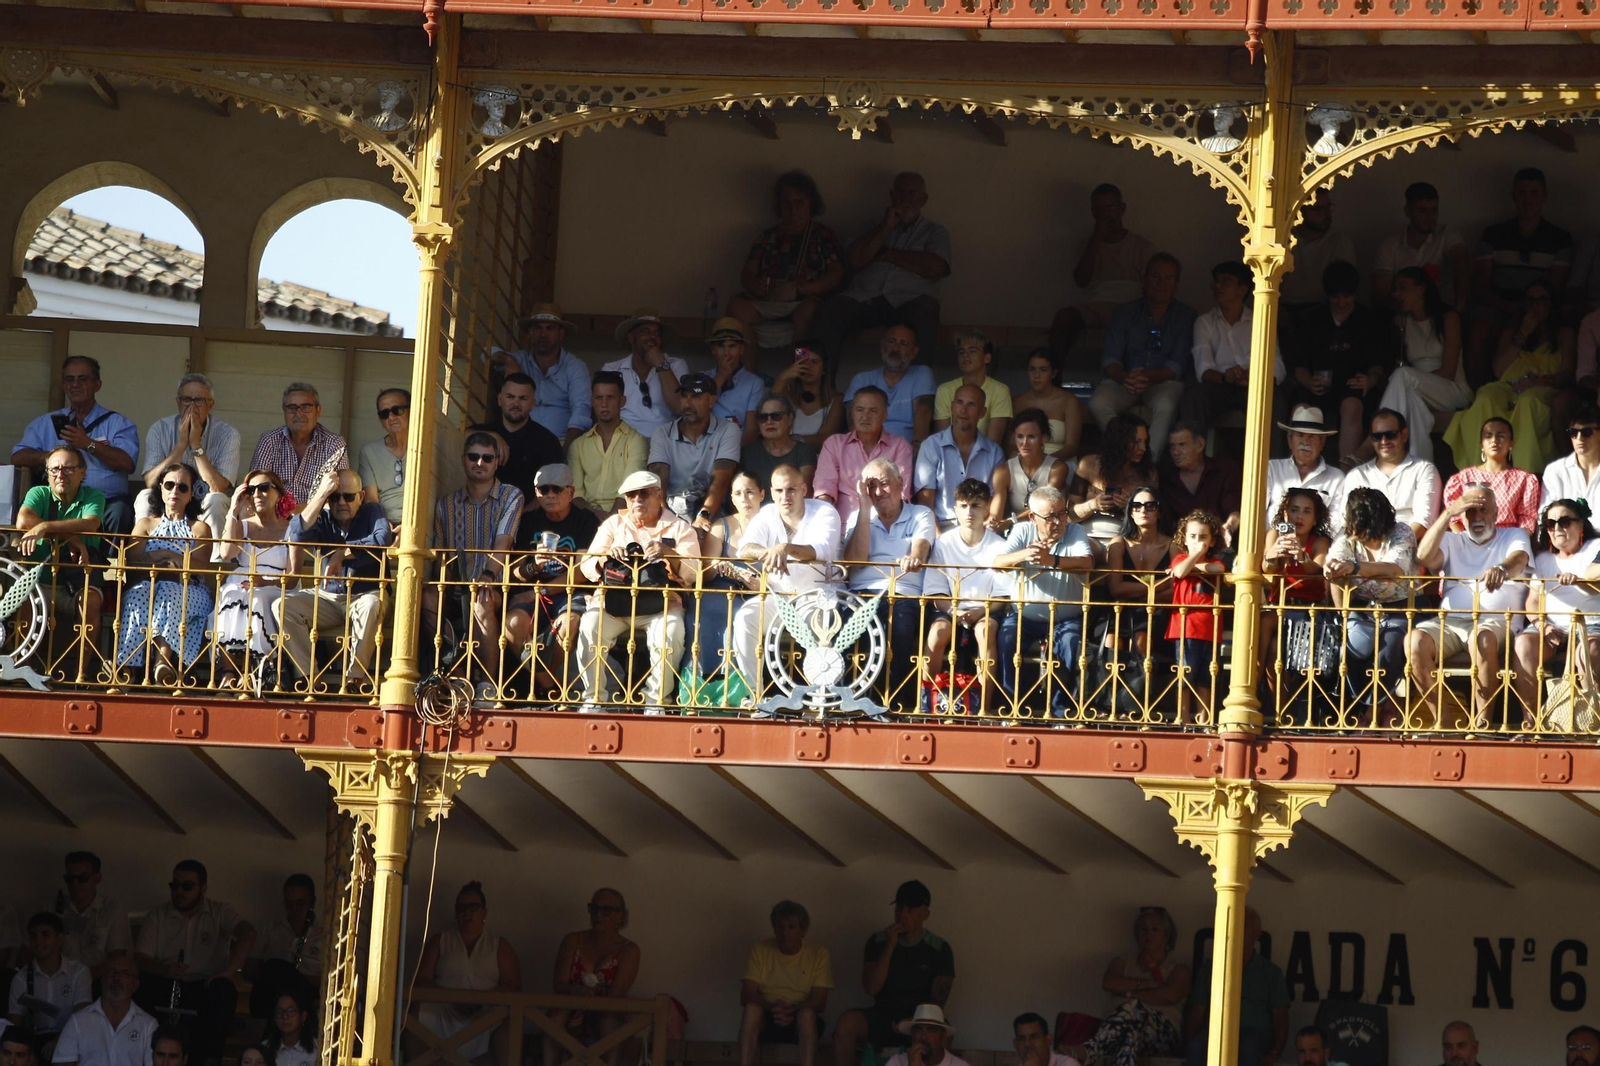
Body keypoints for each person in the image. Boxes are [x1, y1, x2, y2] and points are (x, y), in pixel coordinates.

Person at [574, 471, 701, 712]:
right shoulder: (613, 524)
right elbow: (587, 566)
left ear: (659, 495)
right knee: (590, 625)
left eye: (644, 493)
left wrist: (669, 553)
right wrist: (607, 557)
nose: (638, 500)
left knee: (671, 631)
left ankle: (656, 700)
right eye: (631, 496)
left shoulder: (680, 527)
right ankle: (594, 698)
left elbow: (693, 575)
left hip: (661, 605)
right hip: (613, 603)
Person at [1406, 485, 1531, 727]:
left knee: (1481, 639)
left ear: (1496, 512)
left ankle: (1482, 725)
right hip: (1451, 621)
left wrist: (1502, 569)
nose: (1476, 517)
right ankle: (1443, 721)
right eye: (1470, 511)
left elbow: (1519, 560)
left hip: (1495, 621)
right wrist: (1448, 513)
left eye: (1483, 510)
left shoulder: (1514, 534)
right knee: (1414, 641)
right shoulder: (1453, 540)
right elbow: (1422, 557)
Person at [815, 173, 951, 380]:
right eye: (900, 192)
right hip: (865, 299)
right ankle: (821, 392)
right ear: (891, 196)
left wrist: (886, 254)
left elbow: (936, 268)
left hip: (910, 301)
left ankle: (919, 395)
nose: (905, 198)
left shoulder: (935, 232)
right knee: (829, 310)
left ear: (923, 199)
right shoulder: (871, 225)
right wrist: (886, 226)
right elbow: (856, 259)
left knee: (927, 310)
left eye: (912, 193)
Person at [275, 469, 393, 691]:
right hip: (328, 596)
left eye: (348, 496)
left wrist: (343, 552)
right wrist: (321, 495)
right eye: (334, 497)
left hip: (366, 593)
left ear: (361, 497)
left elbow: (382, 539)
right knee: (282, 605)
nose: (341, 502)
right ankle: (310, 677)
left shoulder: (372, 511)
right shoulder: (323, 516)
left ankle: (354, 680)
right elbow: (297, 534)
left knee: (370, 605)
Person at [1444, 280, 1574, 475]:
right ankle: (1478, 470)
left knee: (1527, 401)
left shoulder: (1564, 333)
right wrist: (1523, 332)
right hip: (1509, 385)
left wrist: (1539, 381)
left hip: (1543, 386)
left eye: (1542, 300)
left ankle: (1525, 473)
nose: (1536, 305)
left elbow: (1567, 373)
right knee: (1486, 395)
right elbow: (1499, 370)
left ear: (1551, 304)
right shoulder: (1513, 331)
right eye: (1530, 300)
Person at [132, 860, 255, 1065]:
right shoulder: (158, 915)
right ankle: (146, 1055)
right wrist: (165, 969)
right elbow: (141, 959)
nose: (179, 891)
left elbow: (249, 933)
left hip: (204, 986)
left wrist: (230, 971)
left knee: (224, 990)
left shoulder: (219, 911)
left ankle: (210, 1059)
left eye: (187, 886)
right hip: (167, 981)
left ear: (203, 888)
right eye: (175, 885)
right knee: (140, 983)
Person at [730, 466, 839, 693]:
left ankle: (820, 696)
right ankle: (753, 694)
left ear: (803, 489)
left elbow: (822, 550)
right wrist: (769, 553)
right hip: (777, 597)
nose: (785, 496)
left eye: (791, 489)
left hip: (817, 597)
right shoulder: (768, 513)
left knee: (822, 626)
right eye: (779, 490)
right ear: (771, 492)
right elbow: (744, 548)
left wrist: (785, 548)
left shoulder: (824, 512)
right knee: (744, 619)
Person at [423, 434, 523, 682]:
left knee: (481, 599)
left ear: (496, 462)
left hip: (497, 585)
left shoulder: (511, 495)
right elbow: (441, 557)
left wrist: (487, 576)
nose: (480, 462)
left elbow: (504, 542)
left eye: (487, 458)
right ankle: (455, 671)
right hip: (457, 587)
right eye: (473, 457)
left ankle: (487, 685)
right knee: (426, 598)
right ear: (463, 460)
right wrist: (448, 583)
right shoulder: (444, 504)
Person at [843, 459, 936, 710]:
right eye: (871, 486)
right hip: (861, 594)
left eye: (884, 484)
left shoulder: (920, 513)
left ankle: (895, 703)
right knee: (842, 628)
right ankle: (849, 700)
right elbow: (855, 560)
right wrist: (864, 508)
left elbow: (921, 547)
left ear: (900, 484)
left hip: (902, 592)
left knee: (900, 628)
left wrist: (913, 556)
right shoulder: (858, 516)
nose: (878, 492)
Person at [994, 486, 1095, 717]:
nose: (1059, 521)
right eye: (1051, 517)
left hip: (1066, 618)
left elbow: (1087, 563)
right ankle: (1013, 707)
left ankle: (1062, 711)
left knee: (1071, 643)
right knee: (1007, 637)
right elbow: (998, 562)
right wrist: (1025, 555)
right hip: (1025, 616)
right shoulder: (1021, 531)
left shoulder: (1075, 530)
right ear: (1033, 517)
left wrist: (1053, 560)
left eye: (1062, 513)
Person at [1469, 168, 1574, 388]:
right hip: (1500, 306)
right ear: (1513, 196)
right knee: (1478, 325)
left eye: (1534, 193)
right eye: (1522, 193)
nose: (1528, 200)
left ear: (1544, 196)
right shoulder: (1493, 234)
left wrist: (1533, 308)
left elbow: (1554, 288)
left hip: (1540, 306)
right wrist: (1512, 308)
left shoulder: (1560, 238)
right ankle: (1478, 391)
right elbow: (1481, 287)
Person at [830, 881, 953, 1066]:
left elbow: (937, 1003)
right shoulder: (878, 941)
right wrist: (890, 946)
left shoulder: (939, 948)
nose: (902, 914)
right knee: (846, 1024)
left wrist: (913, 1022)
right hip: (882, 1015)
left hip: (919, 1019)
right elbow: (871, 988)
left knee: (942, 1032)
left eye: (910, 909)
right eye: (899, 908)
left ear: (925, 914)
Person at [12, 357, 139, 535]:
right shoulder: (46, 423)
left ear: (98, 385)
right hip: (58, 500)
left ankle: (109, 564)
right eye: (70, 379)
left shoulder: (118, 423)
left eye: (83, 379)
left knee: (121, 512)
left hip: (106, 501)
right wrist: (52, 457)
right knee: (30, 506)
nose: (75, 384)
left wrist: (88, 444)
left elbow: (127, 463)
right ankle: (42, 562)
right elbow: (18, 456)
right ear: (63, 385)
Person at [112, 464, 213, 687]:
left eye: (182, 487)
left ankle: (162, 662)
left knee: (167, 590)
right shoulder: (146, 524)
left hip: (191, 591)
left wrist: (163, 554)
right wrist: (170, 558)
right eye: (169, 485)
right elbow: (133, 561)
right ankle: (126, 667)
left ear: (191, 494)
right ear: (161, 489)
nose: (175, 491)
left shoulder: (200, 528)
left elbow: (201, 566)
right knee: (138, 594)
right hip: (149, 586)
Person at [1284, 261, 1394, 466]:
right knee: (1301, 406)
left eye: (1347, 296)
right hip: (1316, 386)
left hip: (1352, 387)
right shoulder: (1311, 318)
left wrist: (1370, 380)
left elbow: (1378, 364)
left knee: (1351, 404)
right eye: (1336, 296)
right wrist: (1309, 382)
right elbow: (1297, 365)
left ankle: (1347, 471)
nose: (1341, 302)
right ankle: (1300, 467)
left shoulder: (1368, 320)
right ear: (1328, 294)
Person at [503, 464, 601, 689]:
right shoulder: (528, 521)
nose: (549, 495)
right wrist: (534, 568)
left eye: (556, 489)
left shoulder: (585, 521)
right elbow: (513, 572)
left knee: (570, 624)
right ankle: (552, 688)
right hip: (532, 594)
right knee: (513, 623)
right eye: (542, 490)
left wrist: (539, 592)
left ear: (571, 492)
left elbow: (582, 572)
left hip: (569, 593)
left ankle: (544, 685)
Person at [1324, 487, 1419, 721]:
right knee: (1352, 647)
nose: (1350, 525)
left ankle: (1372, 712)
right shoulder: (1345, 536)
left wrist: (1355, 568)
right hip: (1360, 605)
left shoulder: (1402, 533)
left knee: (1389, 648)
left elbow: (1394, 569)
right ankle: (1359, 710)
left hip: (1401, 606)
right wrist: (1343, 612)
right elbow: (1335, 564)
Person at [1089, 255, 1196, 455]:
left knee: (1168, 406)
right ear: (1144, 278)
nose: (1160, 283)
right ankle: (1126, 453)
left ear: (1176, 283)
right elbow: (1110, 359)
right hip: (1125, 381)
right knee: (1098, 403)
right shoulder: (1124, 312)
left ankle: (1148, 464)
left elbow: (1178, 364)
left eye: (1167, 278)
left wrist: (1149, 376)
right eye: (1155, 276)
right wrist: (1126, 377)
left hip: (1163, 383)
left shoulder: (1186, 316)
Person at [727, 171, 844, 350]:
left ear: (811, 203)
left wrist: (804, 288)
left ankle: (797, 375)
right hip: (768, 300)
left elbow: (836, 273)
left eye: (800, 202)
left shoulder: (823, 235)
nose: (793, 209)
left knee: (808, 311)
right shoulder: (768, 236)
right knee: (736, 307)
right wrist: (755, 285)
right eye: (787, 203)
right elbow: (748, 271)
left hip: (803, 300)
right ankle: (748, 375)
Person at [921, 478, 1007, 715]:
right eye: (964, 505)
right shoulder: (943, 543)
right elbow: (936, 590)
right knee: (938, 633)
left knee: (984, 631)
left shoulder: (1000, 545)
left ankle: (983, 708)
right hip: (950, 608)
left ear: (988, 507)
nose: (969, 512)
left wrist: (981, 611)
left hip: (986, 610)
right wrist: (953, 611)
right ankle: (926, 703)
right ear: (955, 508)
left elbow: (1003, 595)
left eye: (976, 505)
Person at [412, 883, 520, 1066]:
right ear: (455, 913)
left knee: (508, 1018)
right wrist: (451, 999)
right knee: (414, 1012)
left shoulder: (499, 945)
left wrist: (481, 1000)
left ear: (484, 912)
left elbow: (513, 984)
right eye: (461, 908)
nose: (467, 913)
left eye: (473, 907)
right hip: (444, 1010)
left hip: (485, 1013)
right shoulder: (440, 941)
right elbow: (422, 980)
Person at [1515, 498, 1600, 727]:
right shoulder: (1543, 559)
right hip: (1553, 624)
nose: (1557, 529)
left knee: (1588, 650)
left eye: (1563, 522)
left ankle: (1591, 722)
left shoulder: (1596, 548)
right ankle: (1530, 723)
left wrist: (1579, 582)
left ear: (1580, 525)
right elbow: (1532, 602)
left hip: (1591, 623)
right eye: (1550, 524)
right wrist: (1543, 625)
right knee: (1523, 644)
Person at [1049, 184, 1156, 361]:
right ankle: (1053, 379)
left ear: (1122, 209)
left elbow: (1151, 289)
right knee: (1064, 317)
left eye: (1110, 208)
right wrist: (1096, 238)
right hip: (1094, 306)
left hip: (1129, 307)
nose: (1106, 214)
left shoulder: (1142, 247)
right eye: (1099, 210)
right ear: (1093, 213)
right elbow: (1081, 280)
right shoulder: (1088, 244)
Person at [17, 446, 106, 658]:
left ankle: (80, 677)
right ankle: (22, 670)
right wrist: (71, 538)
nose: (60, 474)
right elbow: (23, 520)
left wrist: (45, 527)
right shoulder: (38, 493)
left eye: (68, 469)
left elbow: (90, 523)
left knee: (91, 602)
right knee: (25, 597)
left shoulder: (93, 495)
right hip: (41, 583)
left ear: (82, 472)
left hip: (78, 582)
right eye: (54, 469)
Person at [685, 470, 769, 692]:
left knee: (739, 613)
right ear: (731, 498)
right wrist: (719, 567)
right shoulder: (721, 526)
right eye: (738, 493)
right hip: (720, 588)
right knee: (701, 610)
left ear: (762, 494)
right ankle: (702, 681)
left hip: (757, 593)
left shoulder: (774, 525)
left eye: (750, 492)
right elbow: (705, 572)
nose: (744, 498)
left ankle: (738, 683)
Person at [1376, 267, 1470, 464]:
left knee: (1403, 377)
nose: (1396, 294)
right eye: (1394, 289)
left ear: (1421, 289)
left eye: (1402, 288)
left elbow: (1449, 370)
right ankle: (1422, 468)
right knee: (1414, 403)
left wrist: (1412, 379)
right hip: (1416, 389)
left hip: (1450, 388)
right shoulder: (1401, 322)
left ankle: (1376, 438)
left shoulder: (1448, 317)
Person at [1073, 907, 1190, 1066]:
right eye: (1143, 929)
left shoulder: (1178, 969)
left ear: (1167, 936)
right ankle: (1094, 1050)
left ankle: (1089, 1051)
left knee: (1131, 1007)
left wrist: (1130, 994)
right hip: (1123, 1032)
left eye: (1154, 929)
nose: (1148, 934)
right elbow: (1109, 983)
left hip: (1163, 1035)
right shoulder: (1122, 962)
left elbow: (1171, 995)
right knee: (1129, 1038)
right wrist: (1148, 985)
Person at [212, 471, 294, 689]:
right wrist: (232, 511)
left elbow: (293, 578)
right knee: (232, 594)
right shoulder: (243, 525)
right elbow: (227, 552)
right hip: (242, 581)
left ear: (278, 493)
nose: (258, 493)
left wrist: (265, 582)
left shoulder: (290, 528)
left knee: (257, 597)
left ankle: (258, 669)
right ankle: (229, 673)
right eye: (252, 490)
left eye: (265, 487)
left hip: (276, 585)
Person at [1186, 261, 1285, 434]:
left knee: (1274, 399)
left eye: (1226, 281)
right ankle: (1194, 458)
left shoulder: (1261, 320)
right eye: (1216, 281)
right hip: (1220, 385)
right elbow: (1204, 368)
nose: (1218, 286)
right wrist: (1226, 377)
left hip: (1254, 386)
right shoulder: (1205, 322)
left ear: (1242, 289)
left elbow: (1277, 365)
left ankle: (1271, 461)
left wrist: (1255, 377)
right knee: (1194, 397)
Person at [544, 889, 640, 1066]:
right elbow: (559, 983)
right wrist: (576, 996)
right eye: (594, 908)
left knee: (609, 1019)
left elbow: (615, 996)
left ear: (619, 916)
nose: (598, 915)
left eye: (606, 910)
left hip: (606, 1015)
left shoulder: (629, 950)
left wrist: (586, 1005)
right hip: (569, 1009)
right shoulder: (573, 940)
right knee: (556, 1015)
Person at [134, 373, 237, 535]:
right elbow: (151, 482)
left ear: (210, 404)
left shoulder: (228, 434)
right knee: (145, 496)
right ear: (178, 402)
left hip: (204, 499)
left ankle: (214, 560)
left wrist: (196, 445)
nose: (192, 406)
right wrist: (181, 446)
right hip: (170, 496)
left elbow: (218, 488)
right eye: (186, 400)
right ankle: (142, 555)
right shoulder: (159, 429)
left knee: (216, 500)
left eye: (199, 401)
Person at [1181, 908, 1287, 1066]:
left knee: (1249, 1045)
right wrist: (1190, 1042)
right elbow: (1197, 1012)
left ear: (1257, 935)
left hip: (1255, 1035)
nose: (1236, 928)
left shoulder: (1271, 973)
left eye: (1244, 925)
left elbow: (1281, 1018)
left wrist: (1275, 1053)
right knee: (1198, 1045)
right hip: (1216, 1034)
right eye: (1232, 923)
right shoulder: (1210, 968)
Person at [737, 900, 832, 1066]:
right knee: (751, 1010)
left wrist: (792, 1009)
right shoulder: (760, 949)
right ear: (774, 928)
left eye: (791, 927)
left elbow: (819, 1001)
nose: (784, 932)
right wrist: (773, 1008)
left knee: (807, 1015)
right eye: (780, 927)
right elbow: (746, 995)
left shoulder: (818, 954)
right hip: (767, 1015)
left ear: (803, 930)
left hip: (799, 1016)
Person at [1261, 488, 1334, 696]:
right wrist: (1272, 555)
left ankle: (1253, 690)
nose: (1299, 516)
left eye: (1307, 511)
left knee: (1265, 620)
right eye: (1294, 510)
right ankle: (1280, 711)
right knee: (1274, 649)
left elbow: (1317, 569)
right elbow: (1267, 570)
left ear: (1315, 518)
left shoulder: (1319, 541)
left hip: (1308, 612)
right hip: (1279, 606)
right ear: (1285, 514)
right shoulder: (1275, 534)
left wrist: (1301, 556)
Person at [647, 373, 742, 531]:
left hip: (712, 508)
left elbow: (720, 482)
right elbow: (658, 483)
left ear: (711, 401)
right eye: (684, 396)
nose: (688, 404)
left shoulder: (728, 430)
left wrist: (704, 516)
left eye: (696, 397)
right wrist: (666, 520)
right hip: (671, 508)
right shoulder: (662, 433)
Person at [489, 304, 593, 443]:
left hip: (561, 441)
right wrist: (508, 359)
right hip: (518, 441)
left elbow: (581, 412)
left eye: (550, 328)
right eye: (538, 328)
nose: (543, 334)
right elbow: (486, 352)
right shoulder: (520, 359)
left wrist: (566, 452)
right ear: (530, 332)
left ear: (561, 334)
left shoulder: (575, 367)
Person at [815, 387, 914, 528]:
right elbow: (824, 492)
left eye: (873, 411)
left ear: (885, 415)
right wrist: (826, 527)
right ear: (852, 413)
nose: (865, 416)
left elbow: (901, 495)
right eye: (860, 410)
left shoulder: (900, 446)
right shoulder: (834, 444)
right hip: (842, 528)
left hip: (886, 527)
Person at [915, 385, 1005, 531]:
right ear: (952, 407)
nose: (963, 410)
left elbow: (995, 502)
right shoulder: (931, 447)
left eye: (971, 405)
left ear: (982, 412)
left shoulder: (995, 453)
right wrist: (939, 540)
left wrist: (983, 537)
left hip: (980, 530)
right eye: (959, 403)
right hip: (942, 526)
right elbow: (925, 504)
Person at [1166, 510, 1226, 724]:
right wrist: (1194, 558)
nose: (1198, 542)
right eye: (1192, 537)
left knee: (1205, 676)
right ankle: (1182, 717)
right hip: (1185, 626)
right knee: (1186, 673)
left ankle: (1203, 717)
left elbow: (1218, 568)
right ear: (1184, 538)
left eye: (1203, 538)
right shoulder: (1180, 558)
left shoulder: (1215, 561)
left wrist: (1196, 565)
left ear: (1212, 541)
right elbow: (1180, 571)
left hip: (1209, 627)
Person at [1372, 181, 1470, 311]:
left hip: (1442, 312)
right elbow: (1381, 293)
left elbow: (1461, 264)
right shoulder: (1390, 246)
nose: (1430, 217)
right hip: (1404, 313)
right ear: (1408, 211)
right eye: (1423, 211)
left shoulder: (1447, 235)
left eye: (1434, 210)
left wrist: (1458, 309)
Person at [1344, 410, 1441, 538]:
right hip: (1365, 546)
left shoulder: (1424, 470)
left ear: (1404, 435)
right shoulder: (1356, 475)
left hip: (1411, 546)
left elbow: (1424, 521)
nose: (1384, 441)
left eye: (1391, 435)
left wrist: (1392, 544)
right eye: (1377, 436)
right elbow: (1347, 522)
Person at [248, 383, 348, 506]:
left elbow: (341, 494)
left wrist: (301, 512)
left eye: (306, 407)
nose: (299, 414)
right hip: (275, 517)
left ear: (318, 411)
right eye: (292, 407)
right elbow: (255, 488)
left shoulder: (334, 444)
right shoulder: (269, 441)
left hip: (318, 518)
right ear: (284, 410)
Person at [1102, 487, 1172, 658]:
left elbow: (1174, 590)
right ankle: (1112, 684)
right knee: (1111, 641)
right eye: (1137, 506)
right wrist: (1155, 587)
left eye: (1150, 505)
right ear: (1130, 512)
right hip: (1121, 607)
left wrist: (1144, 597)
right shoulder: (1118, 543)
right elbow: (1116, 588)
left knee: (1141, 639)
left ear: (1160, 511)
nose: (1143, 510)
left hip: (1157, 609)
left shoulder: (1173, 545)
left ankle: (1141, 684)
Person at [1069, 415, 1157, 549]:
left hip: (1128, 539)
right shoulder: (1089, 464)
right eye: (1136, 442)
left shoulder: (1148, 474)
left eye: (1145, 442)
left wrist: (1128, 507)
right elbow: (1070, 514)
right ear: (1119, 441)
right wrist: (1093, 505)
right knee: (1083, 551)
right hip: (1089, 537)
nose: (1143, 448)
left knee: (1116, 550)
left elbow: (1155, 520)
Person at [569, 371, 649, 520]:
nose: (604, 404)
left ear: (622, 401)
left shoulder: (636, 441)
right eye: (599, 398)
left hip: (624, 517)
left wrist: (610, 521)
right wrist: (593, 514)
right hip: (585, 518)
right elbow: (575, 494)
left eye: (611, 398)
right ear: (592, 401)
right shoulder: (578, 445)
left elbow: (630, 490)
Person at [1441, 417, 1541, 535]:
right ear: (1481, 444)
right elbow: (1454, 520)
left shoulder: (1525, 480)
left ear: (1511, 443)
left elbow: (1527, 522)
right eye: (1488, 436)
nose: (1494, 440)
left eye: (1501, 436)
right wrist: (1468, 544)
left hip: (1509, 543)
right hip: (1469, 543)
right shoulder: (1463, 478)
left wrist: (1511, 544)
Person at [49, 952, 153, 1066]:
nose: (117, 978)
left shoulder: (148, 1025)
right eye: (111, 972)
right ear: (102, 979)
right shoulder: (78, 1021)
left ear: (135, 985)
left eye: (125, 974)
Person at [844, 325, 936, 448]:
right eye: (891, 342)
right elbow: (853, 423)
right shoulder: (862, 380)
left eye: (903, 344)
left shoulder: (922, 374)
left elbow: (923, 411)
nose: (895, 349)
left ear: (914, 352)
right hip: (867, 448)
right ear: (882, 346)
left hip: (906, 448)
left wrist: (917, 447)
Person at [601, 310, 689, 436]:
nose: (652, 337)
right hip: (623, 443)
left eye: (657, 333)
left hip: (665, 442)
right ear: (631, 338)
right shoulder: (611, 370)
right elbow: (603, 415)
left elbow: (680, 407)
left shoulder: (676, 365)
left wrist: (661, 364)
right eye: (645, 331)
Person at [247, 874, 319, 1020]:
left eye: (300, 904)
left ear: (312, 903)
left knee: (277, 967)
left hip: (309, 997)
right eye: (288, 904)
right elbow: (249, 971)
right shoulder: (269, 930)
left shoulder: (326, 936)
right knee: (274, 967)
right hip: (274, 997)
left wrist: (297, 979)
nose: (294, 909)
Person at [1264, 407, 1346, 535]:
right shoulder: (1272, 468)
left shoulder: (1336, 478)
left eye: (1312, 437)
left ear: (1322, 442)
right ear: (1290, 440)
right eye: (1300, 435)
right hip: (1271, 542)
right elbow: (1257, 511)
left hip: (1315, 548)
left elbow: (1335, 523)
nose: (1305, 442)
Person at [8, 914, 90, 1040]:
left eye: (45, 935)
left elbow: (83, 1020)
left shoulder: (79, 973)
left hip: (72, 1040)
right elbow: (14, 1026)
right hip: (34, 1043)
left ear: (60, 938)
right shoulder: (21, 978)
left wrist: (59, 1041)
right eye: (33, 936)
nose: (38, 941)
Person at [1278, 191, 1357, 318]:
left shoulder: (1339, 242)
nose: (1325, 214)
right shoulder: (1284, 240)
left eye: (1328, 208)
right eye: (1318, 209)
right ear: (1300, 211)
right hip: (1285, 309)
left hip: (1325, 310)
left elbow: (1344, 285)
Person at [53, 852, 131, 981]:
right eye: (70, 879)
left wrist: (83, 980)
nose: (75, 884)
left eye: (82, 878)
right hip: (58, 980)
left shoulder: (112, 910)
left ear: (98, 878)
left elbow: (117, 959)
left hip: (97, 981)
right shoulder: (53, 907)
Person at [489, 373, 565, 503]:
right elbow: (466, 435)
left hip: (530, 517)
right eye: (510, 397)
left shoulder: (547, 440)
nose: (516, 403)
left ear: (533, 403)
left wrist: (519, 516)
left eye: (523, 398)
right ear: (500, 400)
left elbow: (553, 489)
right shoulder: (486, 432)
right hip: (487, 514)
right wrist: (492, 436)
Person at [1159, 423, 1241, 542]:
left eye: (1182, 445)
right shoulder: (1167, 480)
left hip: (1222, 544)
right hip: (1183, 548)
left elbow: (1235, 510)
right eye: (1172, 446)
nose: (1175, 452)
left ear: (1200, 445)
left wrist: (1229, 527)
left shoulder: (1225, 470)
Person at [932, 331, 1013, 445]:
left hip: (985, 457)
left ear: (987, 358)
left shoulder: (1000, 391)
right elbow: (943, 440)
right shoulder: (944, 390)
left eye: (972, 351)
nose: (965, 355)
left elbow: (993, 444)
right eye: (961, 352)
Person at [992, 410, 1068, 530]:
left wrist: (1012, 521)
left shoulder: (1057, 468)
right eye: (1020, 436)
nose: (1025, 443)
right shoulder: (1003, 471)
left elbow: (1045, 508)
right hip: (1015, 532)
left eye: (1031, 437)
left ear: (1044, 438)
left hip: (1050, 529)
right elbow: (996, 513)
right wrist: (993, 523)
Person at [1011, 349, 1083, 459]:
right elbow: (1011, 444)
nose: (1036, 375)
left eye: (1043, 370)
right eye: (1032, 369)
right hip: (1024, 463)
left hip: (1061, 463)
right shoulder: (1018, 402)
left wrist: (1044, 463)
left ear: (1053, 373)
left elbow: (1072, 447)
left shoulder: (1069, 401)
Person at [740, 394, 818, 495]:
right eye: (763, 417)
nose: (769, 422)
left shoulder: (804, 451)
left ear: (790, 418)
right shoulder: (747, 453)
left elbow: (802, 495)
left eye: (776, 416)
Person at [707, 319, 767, 444]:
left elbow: (752, 430)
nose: (726, 353)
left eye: (732, 346)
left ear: (742, 349)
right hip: (705, 447)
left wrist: (733, 456)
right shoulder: (703, 377)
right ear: (713, 350)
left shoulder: (755, 383)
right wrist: (721, 375)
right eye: (720, 346)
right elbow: (698, 408)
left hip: (737, 448)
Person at [771, 342, 842, 447]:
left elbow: (826, 438)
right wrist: (782, 377)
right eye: (803, 362)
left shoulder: (836, 399)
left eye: (814, 362)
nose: (808, 366)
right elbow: (768, 411)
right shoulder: (787, 393)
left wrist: (791, 439)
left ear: (824, 368)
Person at [358, 388, 410, 525]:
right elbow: (371, 500)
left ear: (412, 412)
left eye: (397, 410)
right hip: (386, 525)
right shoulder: (369, 452)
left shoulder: (426, 449)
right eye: (384, 413)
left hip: (421, 525)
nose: (391, 417)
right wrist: (385, 528)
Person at [1544, 404, 1600, 507]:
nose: (1579, 438)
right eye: (1573, 432)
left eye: (1587, 432)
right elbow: (1545, 517)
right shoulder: (1555, 471)